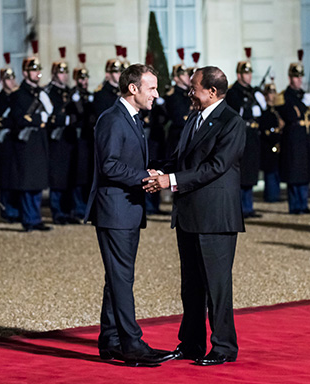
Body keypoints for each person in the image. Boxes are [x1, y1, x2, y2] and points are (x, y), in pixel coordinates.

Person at [143, 66, 246, 366]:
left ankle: (224, 347)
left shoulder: (232, 122)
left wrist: (170, 181)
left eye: (194, 87)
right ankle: (191, 344)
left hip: (215, 218)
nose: (189, 92)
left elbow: (215, 167)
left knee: (217, 286)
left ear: (212, 92)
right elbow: (180, 159)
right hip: (189, 214)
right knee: (191, 286)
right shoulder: (193, 118)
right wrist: (156, 170)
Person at [83, 64, 174, 366]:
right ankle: (132, 345)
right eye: (151, 88)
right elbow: (108, 165)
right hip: (115, 210)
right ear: (133, 88)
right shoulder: (112, 119)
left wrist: (151, 171)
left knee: (117, 278)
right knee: (122, 279)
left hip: (126, 209)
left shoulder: (131, 118)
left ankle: (110, 341)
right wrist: (142, 177)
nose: (156, 94)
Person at [9, 40, 53, 232]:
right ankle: (28, 219)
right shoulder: (20, 94)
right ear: (25, 73)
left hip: (39, 141)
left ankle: (36, 218)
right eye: (33, 71)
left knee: (37, 183)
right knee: (27, 184)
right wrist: (39, 118)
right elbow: (19, 118)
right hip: (26, 143)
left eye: (38, 70)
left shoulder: (39, 92)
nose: (37, 74)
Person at [278, 51, 310, 214]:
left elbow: (309, 115)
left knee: (305, 170)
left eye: (301, 77)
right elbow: (289, 115)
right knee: (294, 172)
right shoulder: (285, 96)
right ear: (290, 78)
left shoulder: (303, 94)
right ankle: (295, 205)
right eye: (296, 77)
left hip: (305, 135)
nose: (299, 80)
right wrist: (303, 105)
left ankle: (304, 202)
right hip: (293, 137)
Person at [225, 48, 263, 218]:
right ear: (239, 75)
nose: (248, 77)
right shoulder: (233, 92)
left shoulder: (252, 91)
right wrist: (247, 109)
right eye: (245, 74)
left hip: (253, 135)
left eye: (249, 73)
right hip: (241, 134)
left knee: (251, 172)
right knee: (242, 173)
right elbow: (234, 113)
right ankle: (240, 207)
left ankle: (249, 206)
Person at [46, 47, 80, 225]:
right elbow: (48, 116)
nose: (64, 76)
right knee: (57, 177)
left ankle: (68, 210)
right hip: (57, 140)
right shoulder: (49, 92)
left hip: (70, 139)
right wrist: (65, 119)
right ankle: (57, 211)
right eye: (60, 73)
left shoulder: (69, 91)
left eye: (66, 72)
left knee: (69, 176)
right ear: (53, 74)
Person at [0, 53, 21, 223]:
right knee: (5, 177)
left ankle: (16, 210)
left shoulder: (18, 96)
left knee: (16, 176)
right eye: (7, 79)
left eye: (12, 78)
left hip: (15, 140)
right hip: (5, 142)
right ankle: (7, 211)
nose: (10, 82)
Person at [68, 53, 95, 221]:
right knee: (77, 175)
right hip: (74, 139)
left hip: (87, 139)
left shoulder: (88, 95)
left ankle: (84, 207)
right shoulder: (72, 95)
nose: (83, 82)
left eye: (85, 79)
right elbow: (77, 114)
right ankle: (77, 208)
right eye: (80, 79)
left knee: (86, 174)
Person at [92, 47, 122, 118]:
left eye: (121, 71)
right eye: (115, 72)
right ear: (108, 74)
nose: (119, 74)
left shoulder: (123, 91)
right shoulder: (101, 94)